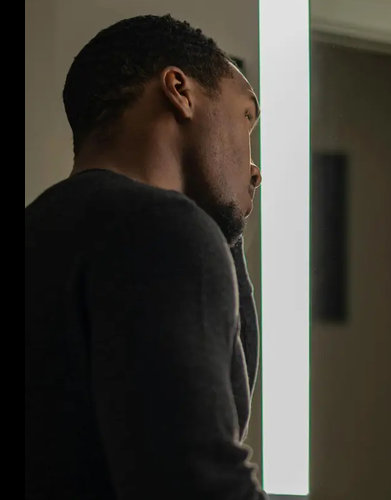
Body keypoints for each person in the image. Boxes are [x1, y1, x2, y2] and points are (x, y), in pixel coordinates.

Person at [25, 15, 269, 499]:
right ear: (179, 90)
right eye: (247, 118)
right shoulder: (162, 230)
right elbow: (199, 484)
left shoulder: (43, 233)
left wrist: (224, 231)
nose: (255, 169)